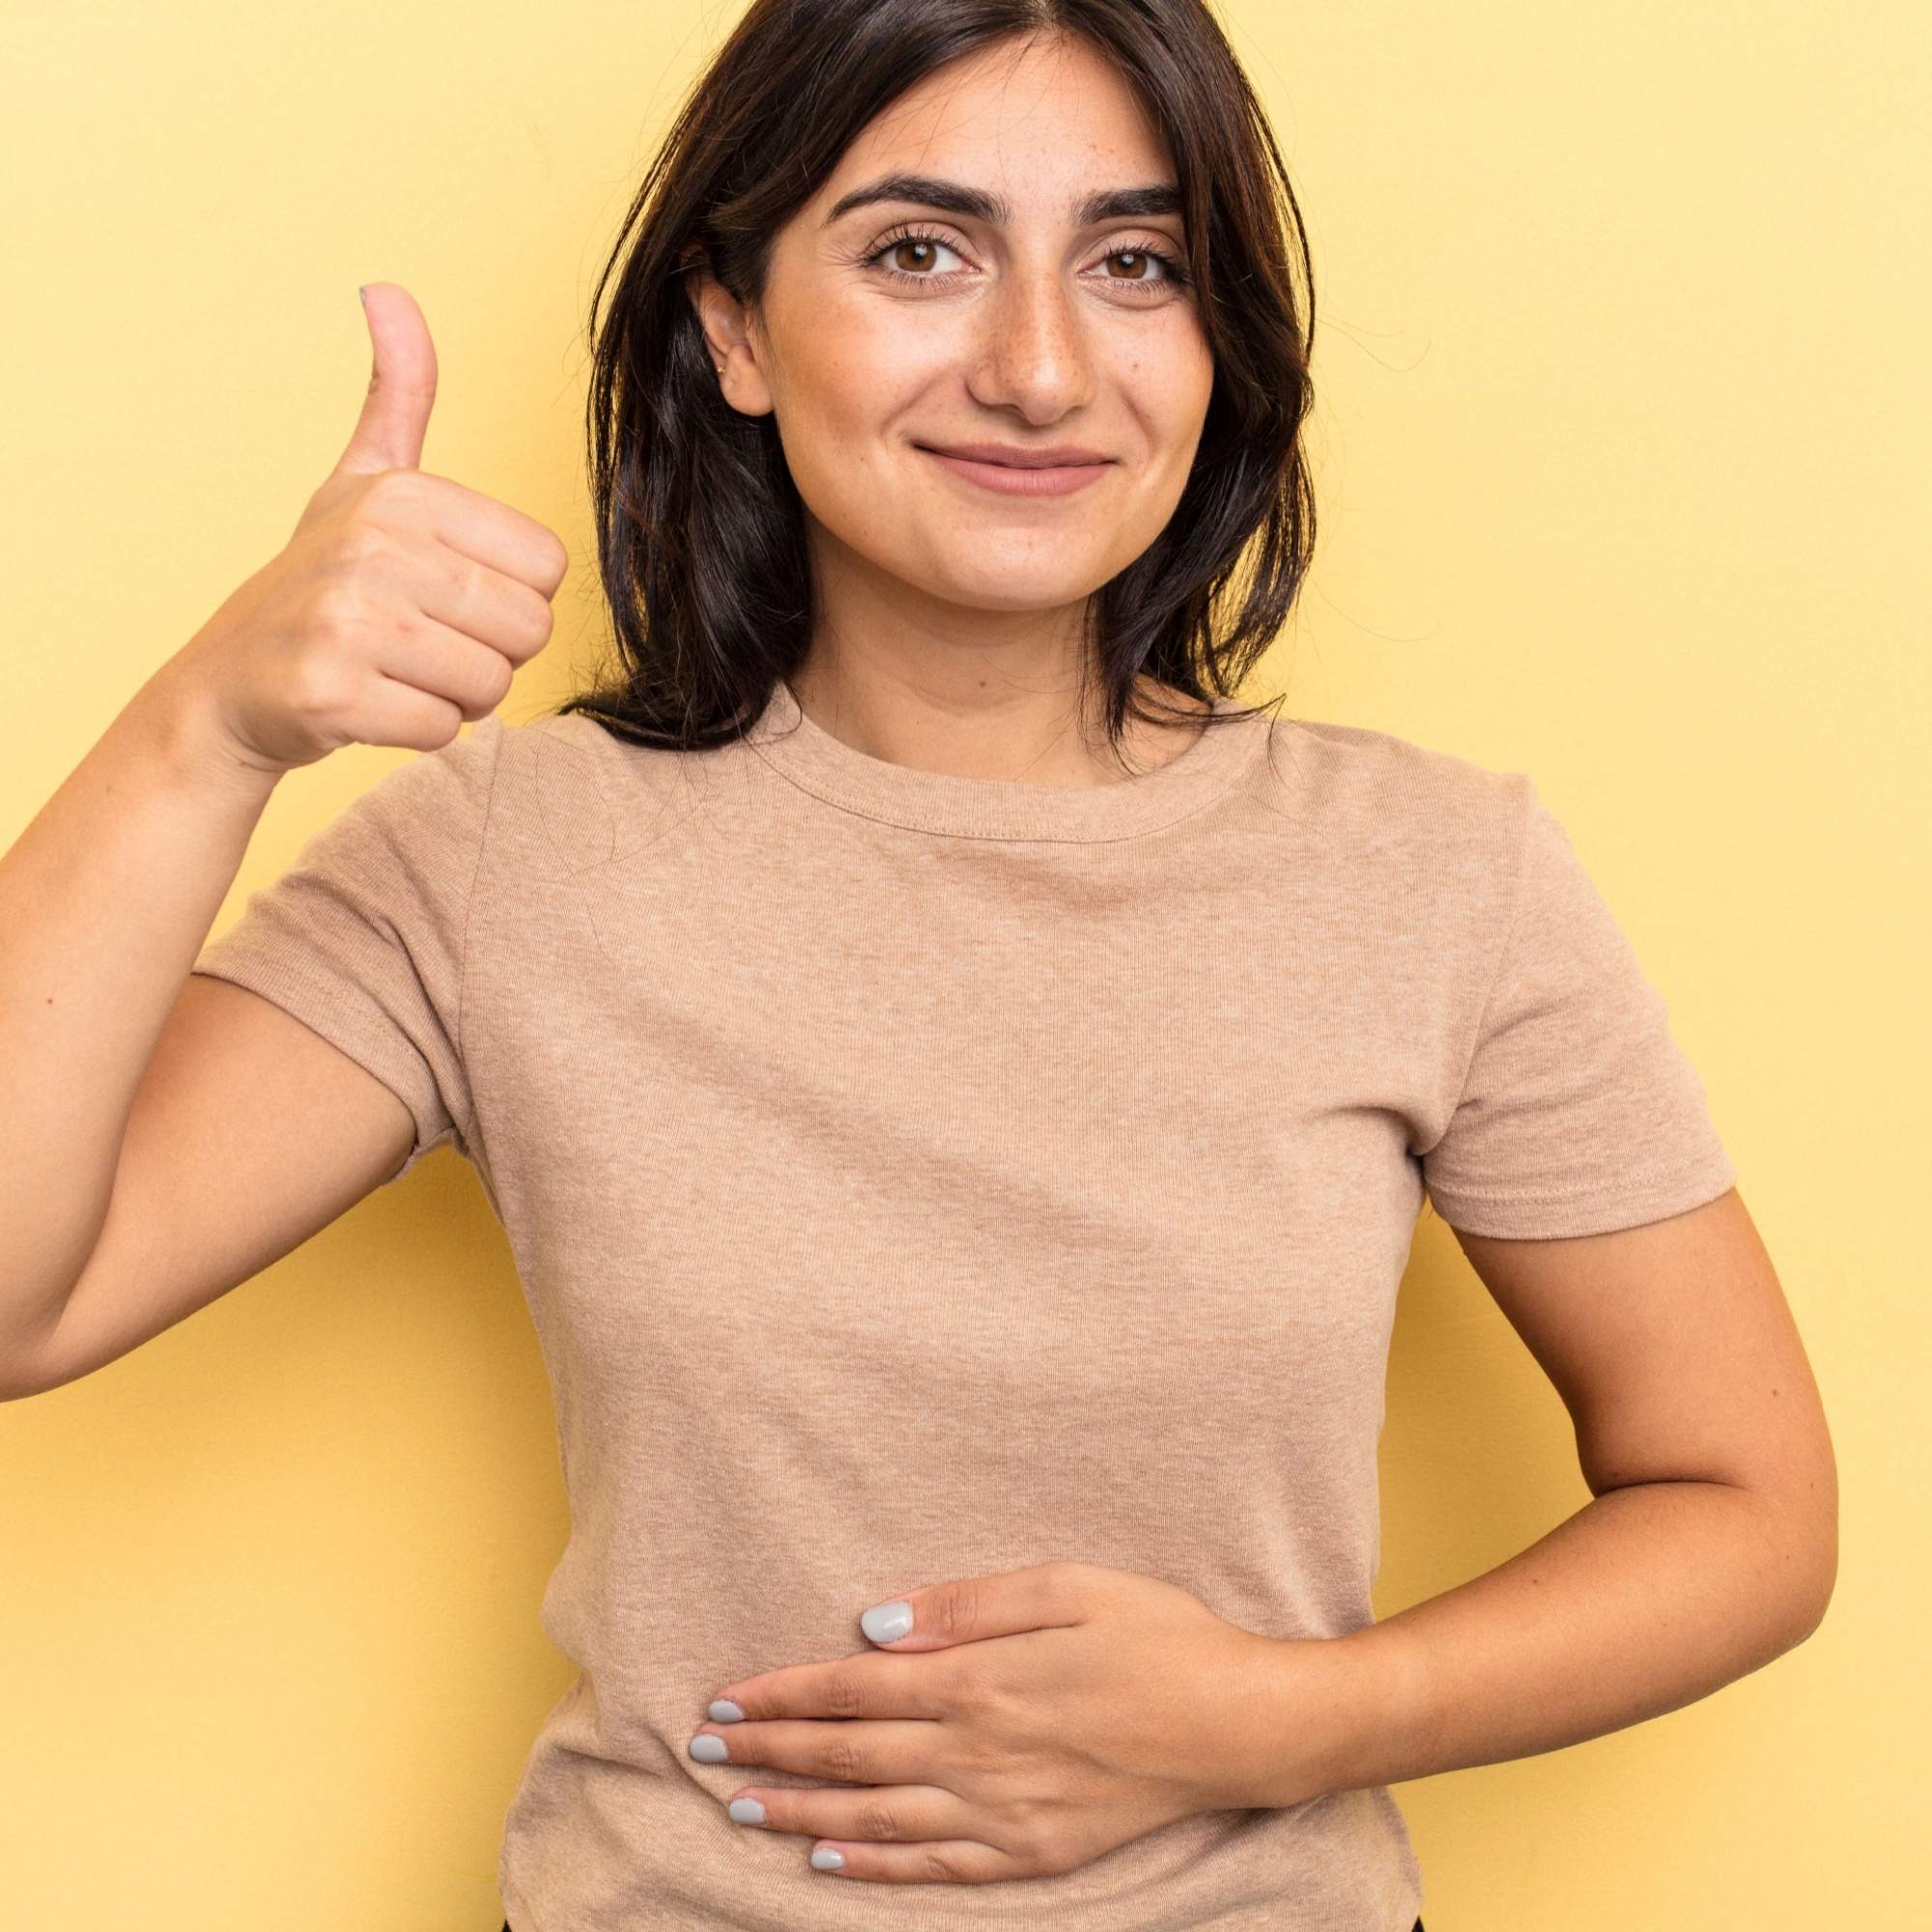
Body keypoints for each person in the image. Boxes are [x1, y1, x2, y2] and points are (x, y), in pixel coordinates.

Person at [0, 2, 1834, 1928]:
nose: (1040, 369)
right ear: (730, 326)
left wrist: (1283, 1719)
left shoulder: (1435, 875)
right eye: (915, 253)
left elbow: (1745, 1505)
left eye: (1134, 266)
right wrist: (207, 726)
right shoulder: (499, 861)